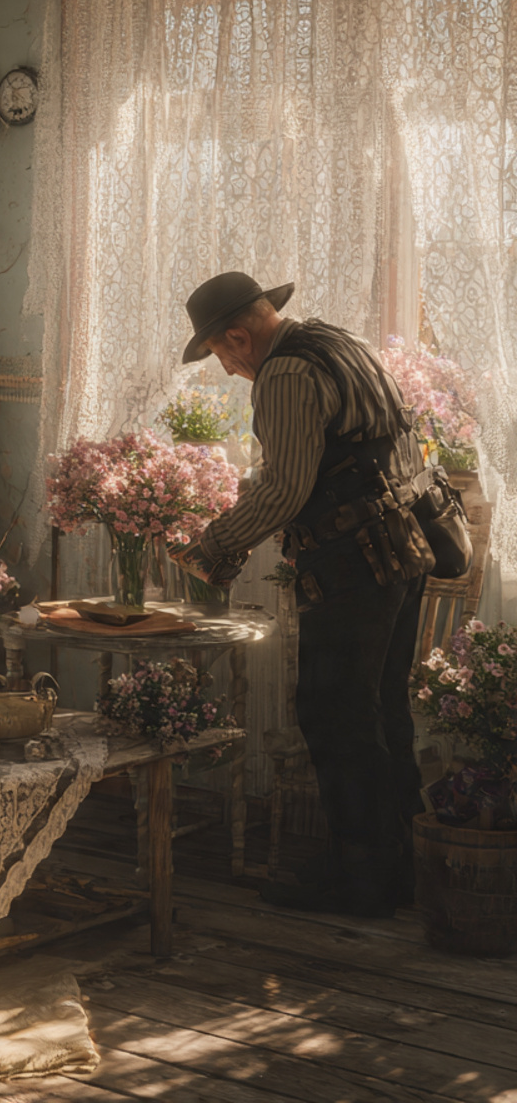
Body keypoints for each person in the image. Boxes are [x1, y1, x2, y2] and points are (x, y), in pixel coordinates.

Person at [173, 272, 433, 918]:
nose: (230, 370)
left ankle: (358, 877)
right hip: (403, 552)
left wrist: (213, 547)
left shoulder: (284, 373)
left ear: (238, 335)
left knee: (334, 711)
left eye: (222, 356)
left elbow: (285, 487)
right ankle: (402, 867)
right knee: (382, 710)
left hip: (354, 561)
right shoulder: (339, 342)